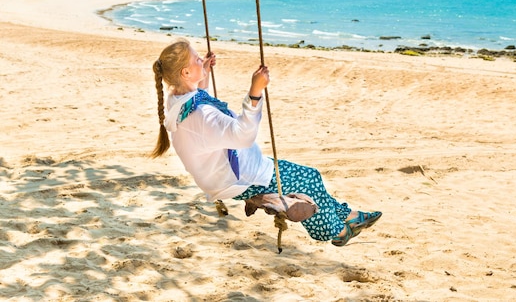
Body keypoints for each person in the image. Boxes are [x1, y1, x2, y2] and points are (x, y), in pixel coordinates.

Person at [151, 38, 381, 246]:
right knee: (310, 178)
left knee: (310, 179)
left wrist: (204, 73)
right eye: (196, 59)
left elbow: (201, 100)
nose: (201, 59)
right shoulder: (201, 116)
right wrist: (255, 92)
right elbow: (242, 134)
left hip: (222, 174)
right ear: (185, 73)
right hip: (241, 178)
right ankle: (337, 231)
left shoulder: (177, 100)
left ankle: (349, 215)